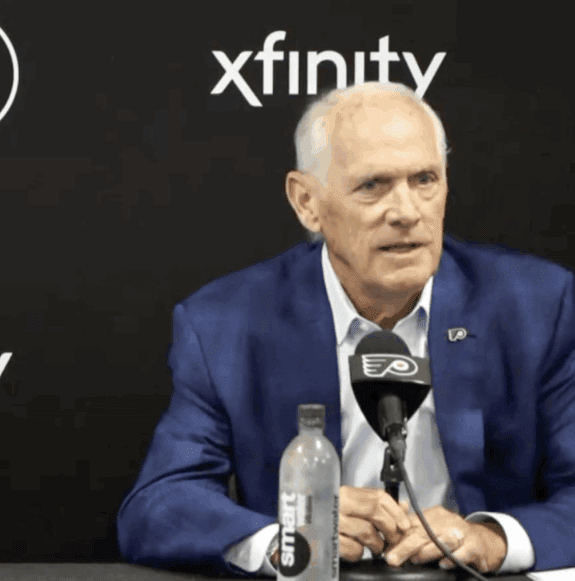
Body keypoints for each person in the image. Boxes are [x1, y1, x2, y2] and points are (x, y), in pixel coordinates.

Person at [117, 81, 575, 576]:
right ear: (307, 202)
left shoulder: (537, 307)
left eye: (424, 179)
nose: (406, 212)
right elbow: (159, 506)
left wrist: (490, 540)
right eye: (372, 185)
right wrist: (291, 541)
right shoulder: (226, 324)